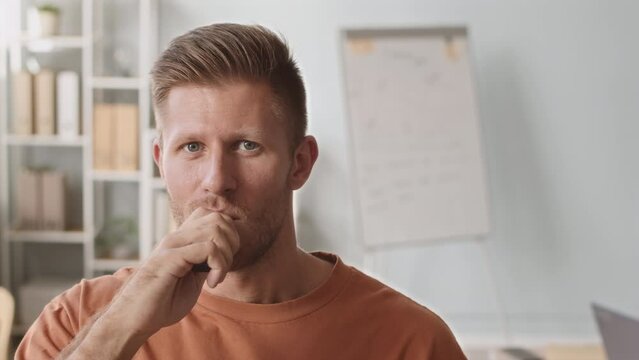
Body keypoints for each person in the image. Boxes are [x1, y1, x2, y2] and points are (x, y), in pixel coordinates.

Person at [16, 23, 467, 359]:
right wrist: (126, 321)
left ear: (300, 163)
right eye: (191, 147)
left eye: (247, 146)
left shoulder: (412, 340)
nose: (216, 179)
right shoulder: (77, 320)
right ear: (160, 162)